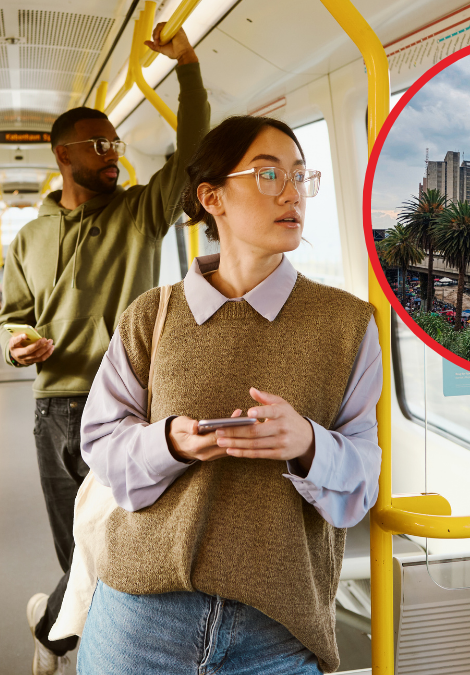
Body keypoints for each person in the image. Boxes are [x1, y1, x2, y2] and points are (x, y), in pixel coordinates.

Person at [77, 116, 382, 674]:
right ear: (211, 197)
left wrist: (307, 442)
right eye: (268, 174)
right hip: (141, 620)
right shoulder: (152, 315)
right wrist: (169, 443)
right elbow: (99, 443)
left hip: (277, 630)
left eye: (300, 176)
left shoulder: (348, 325)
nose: (292, 193)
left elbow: (363, 480)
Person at [0, 20, 210, 674]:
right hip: (53, 406)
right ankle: (61, 627)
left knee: (123, 545)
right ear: (64, 156)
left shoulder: (141, 213)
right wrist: (16, 345)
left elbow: (195, 149)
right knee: (78, 550)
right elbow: (14, 315)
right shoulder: (30, 238)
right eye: (99, 144)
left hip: (128, 400)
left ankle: (62, 633)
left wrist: (188, 69)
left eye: (115, 141)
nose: (113, 152)